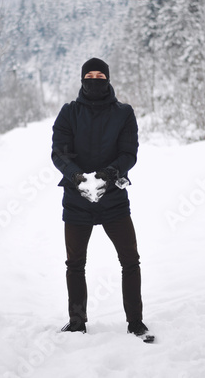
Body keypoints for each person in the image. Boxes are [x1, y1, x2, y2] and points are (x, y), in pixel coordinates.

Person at [51, 57, 153, 342]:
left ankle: (136, 322)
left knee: (130, 260)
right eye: (89, 75)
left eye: (100, 75)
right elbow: (60, 153)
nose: (94, 79)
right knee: (75, 264)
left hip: (114, 199)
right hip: (76, 199)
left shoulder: (124, 113)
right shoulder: (69, 113)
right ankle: (77, 322)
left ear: (108, 79)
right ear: (82, 79)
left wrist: (108, 175)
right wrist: (77, 178)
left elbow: (129, 152)